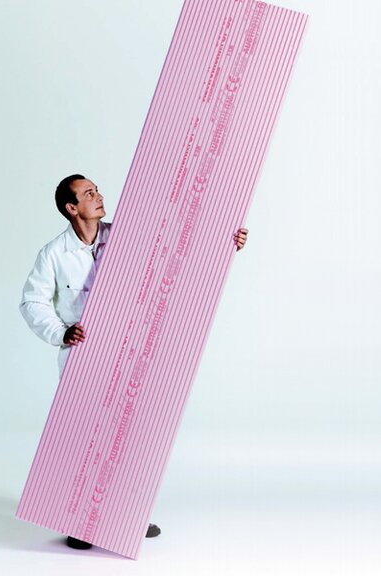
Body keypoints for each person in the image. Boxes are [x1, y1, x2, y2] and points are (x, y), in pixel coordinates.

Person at [20, 174, 248, 550]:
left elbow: (180, 249)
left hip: (131, 348)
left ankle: (128, 517)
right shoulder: (54, 254)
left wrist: (226, 242)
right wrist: (61, 332)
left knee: (130, 435)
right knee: (84, 437)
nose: (99, 196)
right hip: (84, 356)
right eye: (88, 194)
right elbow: (33, 302)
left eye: (97, 190)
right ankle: (79, 522)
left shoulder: (126, 237)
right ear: (71, 208)